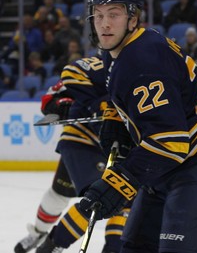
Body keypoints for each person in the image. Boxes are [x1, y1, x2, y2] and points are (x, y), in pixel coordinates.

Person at [79, 0, 197, 253]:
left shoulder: (142, 59)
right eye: (99, 15)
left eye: (113, 14)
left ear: (132, 18)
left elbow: (171, 142)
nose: (104, 24)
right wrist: (116, 120)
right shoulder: (119, 50)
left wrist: (119, 182)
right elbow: (132, 98)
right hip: (164, 170)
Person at [15, 54, 129, 253]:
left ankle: (56, 244)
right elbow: (51, 97)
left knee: (116, 197)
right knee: (77, 196)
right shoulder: (95, 67)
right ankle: (41, 235)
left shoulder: (147, 71)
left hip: (118, 146)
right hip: (82, 141)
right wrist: (64, 104)